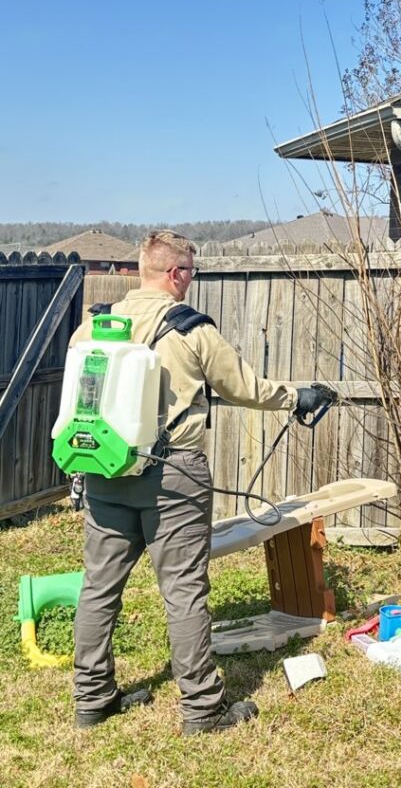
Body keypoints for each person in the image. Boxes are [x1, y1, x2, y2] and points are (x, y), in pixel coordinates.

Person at [69, 229, 332, 735]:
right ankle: (202, 709)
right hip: (173, 474)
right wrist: (297, 396)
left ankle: (92, 698)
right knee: (184, 591)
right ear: (176, 274)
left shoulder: (95, 328)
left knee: (98, 589)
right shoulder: (191, 330)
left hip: (103, 469)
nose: (191, 281)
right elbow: (246, 387)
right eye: (191, 271)